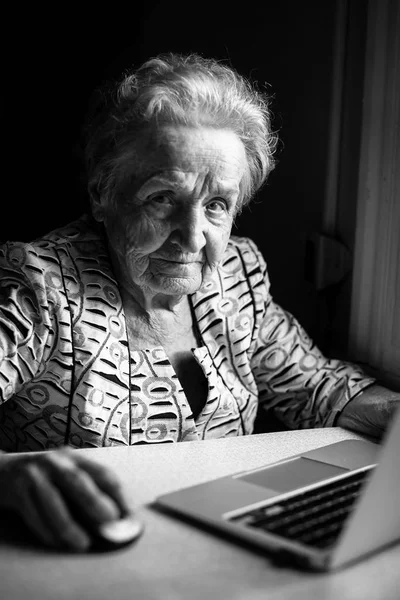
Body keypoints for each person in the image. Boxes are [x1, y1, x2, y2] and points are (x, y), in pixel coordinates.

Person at [0, 52, 398, 552]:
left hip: (229, 545)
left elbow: (316, 390)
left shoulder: (236, 276)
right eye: (163, 198)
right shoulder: (39, 287)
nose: (192, 237)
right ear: (103, 192)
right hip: (85, 558)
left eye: (216, 205)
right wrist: (11, 478)